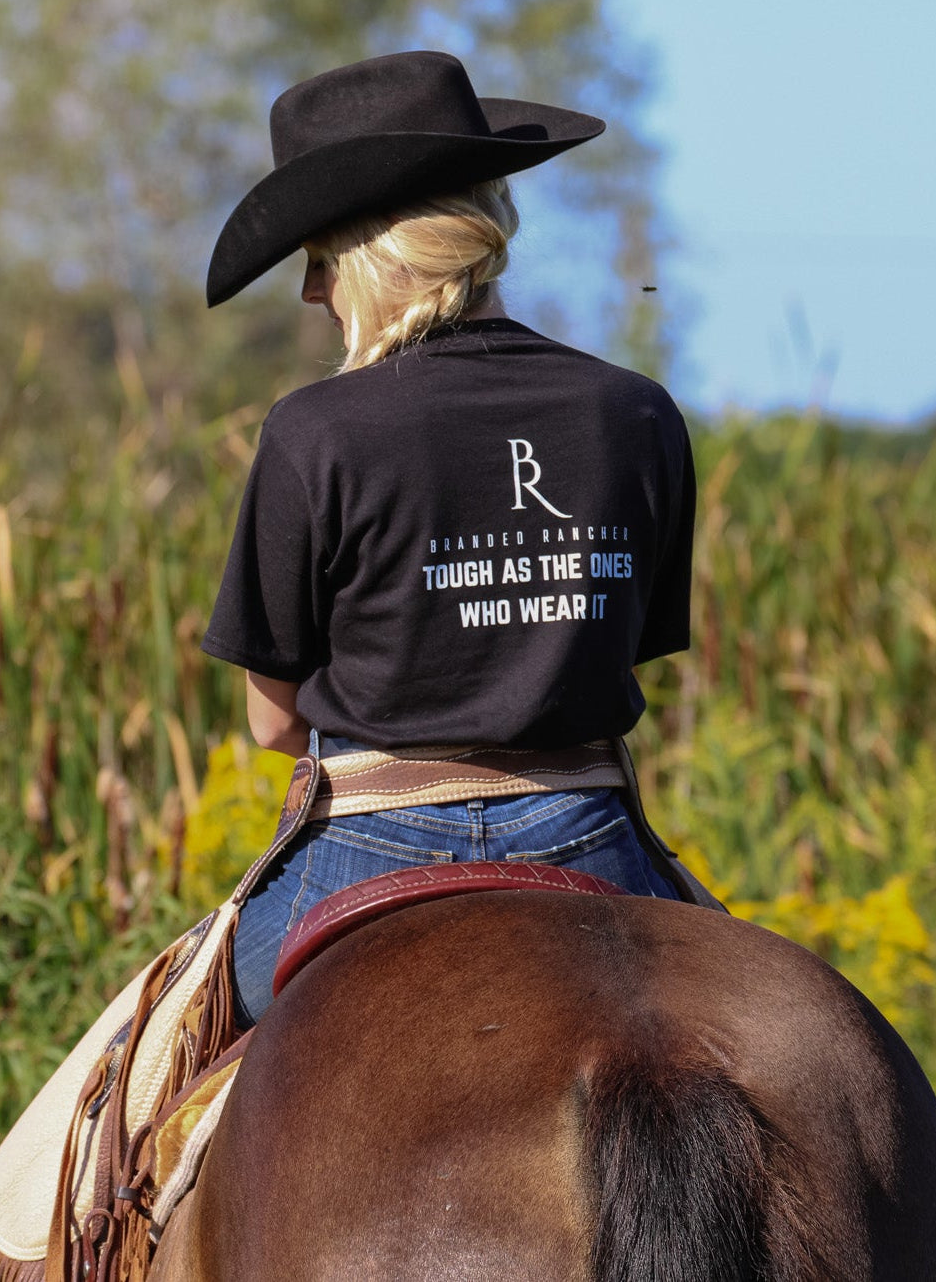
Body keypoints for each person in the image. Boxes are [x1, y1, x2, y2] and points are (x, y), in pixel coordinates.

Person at [200, 50, 699, 1029]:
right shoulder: (636, 412)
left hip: (367, 843)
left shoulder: (314, 430)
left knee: (141, 1073)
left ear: (364, 256)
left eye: (317, 258)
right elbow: (619, 649)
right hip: (590, 834)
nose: (310, 292)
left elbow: (272, 722)